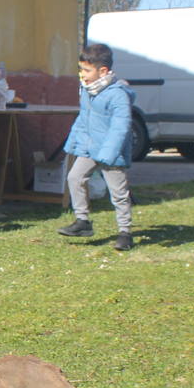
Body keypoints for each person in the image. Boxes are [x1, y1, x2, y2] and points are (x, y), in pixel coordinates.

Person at [57, 43, 137, 252]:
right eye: (81, 69)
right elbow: (84, 119)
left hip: (112, 152)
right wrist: (75, 142)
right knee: (75, 178)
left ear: (103, 71)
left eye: (86, 70)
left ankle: (125, 233)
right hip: (90, 148)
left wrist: (109, 154)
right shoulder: (88, 91)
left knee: (118, 193)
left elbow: (121, 128)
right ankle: (82, 222)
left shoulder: (118, 94)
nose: (82, 74)